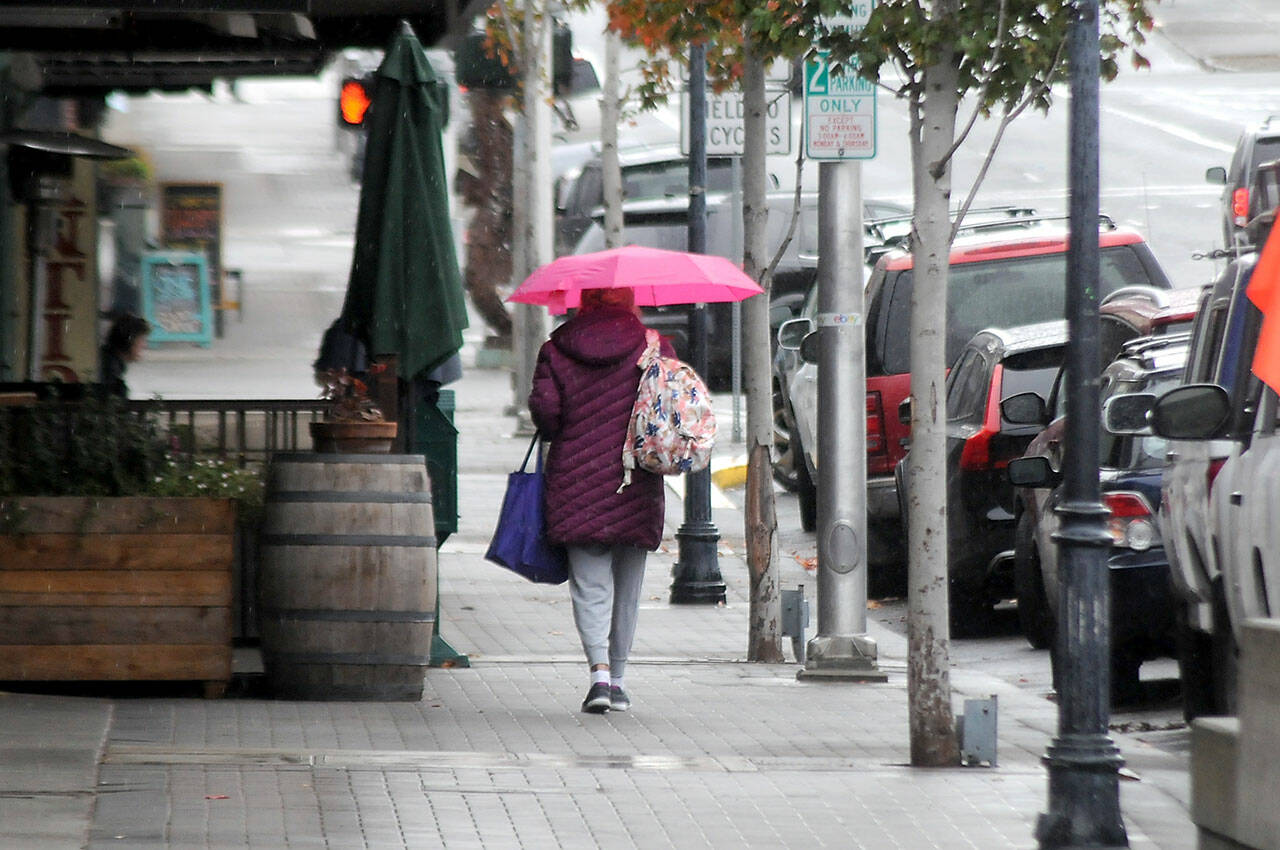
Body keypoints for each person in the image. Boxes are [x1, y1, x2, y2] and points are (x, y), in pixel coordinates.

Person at [528, 287, 674, 714]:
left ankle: (599, 676)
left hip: (576, 479)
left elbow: (546, 413)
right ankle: (621, 680)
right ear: (630, 302)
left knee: (590, 585)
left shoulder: (556, 349)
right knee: (627, 587)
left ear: (583, 302)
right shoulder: (653, 346)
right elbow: (669, 408)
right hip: (636, 479)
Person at [100, 313, 151, 398]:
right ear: (129, 341)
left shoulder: (112, 363)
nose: (144, 345)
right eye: (141, 340)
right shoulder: (108, 368)